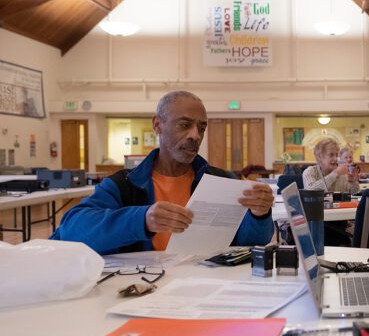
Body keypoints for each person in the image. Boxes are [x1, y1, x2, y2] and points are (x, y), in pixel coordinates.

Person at [51, 90, 275, 255]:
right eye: (184, 125)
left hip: (205, 285)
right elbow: (72, 230)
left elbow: (249, 242)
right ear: (158, 125)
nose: (195, 135)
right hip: (140, 288)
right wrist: (143, 219)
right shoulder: (124, 185)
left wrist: (259, 214)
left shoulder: (221, 181)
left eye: (201, 127)